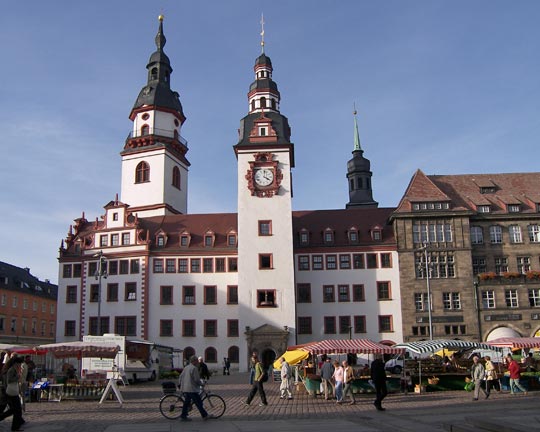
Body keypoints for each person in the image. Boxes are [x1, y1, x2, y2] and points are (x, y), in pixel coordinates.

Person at [178, 355, 213, 421]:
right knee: (198, 402)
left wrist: (180, 384)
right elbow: (196, 379)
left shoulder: (186, 367)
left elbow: (181, 376)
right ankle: (205, 415)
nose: (197, 362)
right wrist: (202, 384)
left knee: (187, 403)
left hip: (186, 388)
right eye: (197, 361)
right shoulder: (194, 368)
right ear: (194, 361)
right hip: (192, 389)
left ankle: (183, 416)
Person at [0, 355, 25, 431]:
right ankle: (15, 426)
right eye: (19, 364)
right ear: (16, 363)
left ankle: (16, 425)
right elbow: (9, 380)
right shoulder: (11, 370)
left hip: (9, 392)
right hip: (10, 392)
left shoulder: (12, 369)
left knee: (15, 409)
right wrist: (18, 376)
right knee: (15, 409)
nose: (20, 365)